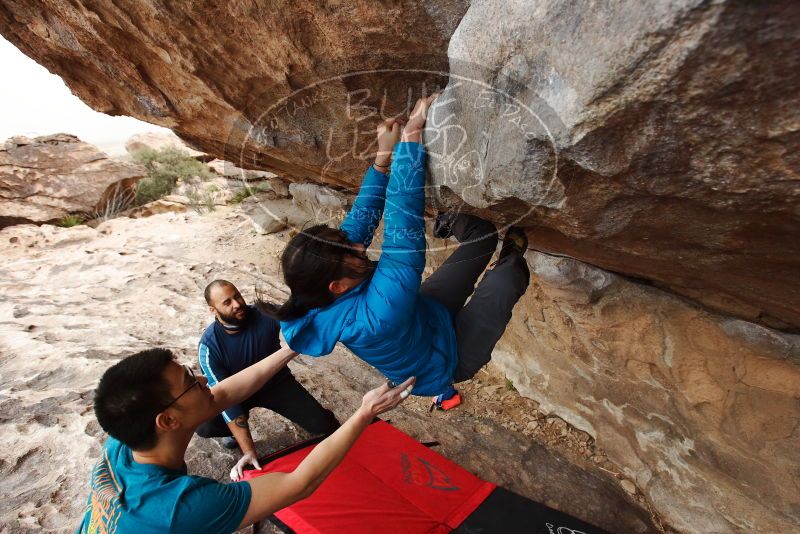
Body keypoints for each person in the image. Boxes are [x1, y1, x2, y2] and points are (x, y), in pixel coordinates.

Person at [258, 94, 530, 410]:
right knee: (505, 279)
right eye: (353, 253)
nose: (359, 245)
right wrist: (411, 138)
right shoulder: (377, 318)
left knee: (481, 236)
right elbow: (402, 235)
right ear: (339, 287)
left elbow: (361, 218)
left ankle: (447, 219)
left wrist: (383, 157)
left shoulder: (326, 278)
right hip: (449, 360)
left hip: (425, 314)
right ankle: (511, 256)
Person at [78, 347, 414, 533]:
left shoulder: (122, 444)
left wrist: (290, 348)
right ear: (167, 420)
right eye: (189, 381)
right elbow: (300, 483)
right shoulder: (180, 509)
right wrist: (364, 413)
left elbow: (221, 393)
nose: (202, 380)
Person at [197, 280, 339, 480]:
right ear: (213, 310)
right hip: (237, 397)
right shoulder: (209, 347)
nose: (237, 304)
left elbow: (300, 317)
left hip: (277, 385)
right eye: (227, 302)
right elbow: (225, 400)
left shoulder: (263, 312)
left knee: (322, 425)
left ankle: (323, 419)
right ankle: (233, 434)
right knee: (205, 425)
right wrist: (248, 450)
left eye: (237, 296)